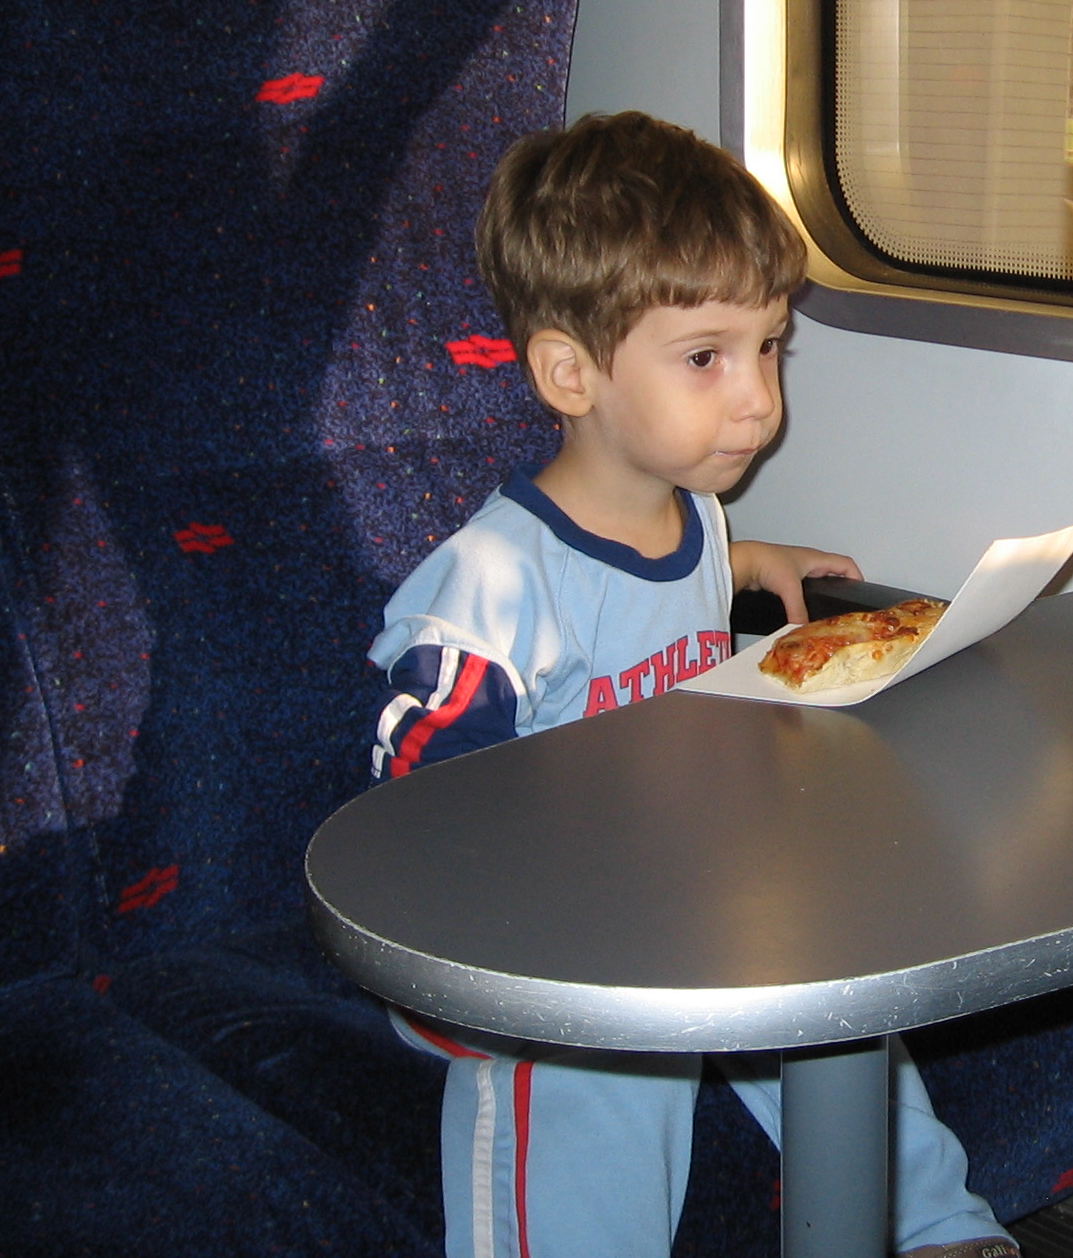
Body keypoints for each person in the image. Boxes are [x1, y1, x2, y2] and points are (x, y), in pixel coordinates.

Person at [367, 111, 1017, 1258]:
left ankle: (934, 1226)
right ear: (569, 373)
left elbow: (670, 591)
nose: (757, 397)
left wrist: (754, 563)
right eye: (706, 358)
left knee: (826, 982)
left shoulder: (698, 521)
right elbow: (417, 808)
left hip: (673, 887)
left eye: (770, 347)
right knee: (607, 1073)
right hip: (521, 952)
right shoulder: (494, 589)